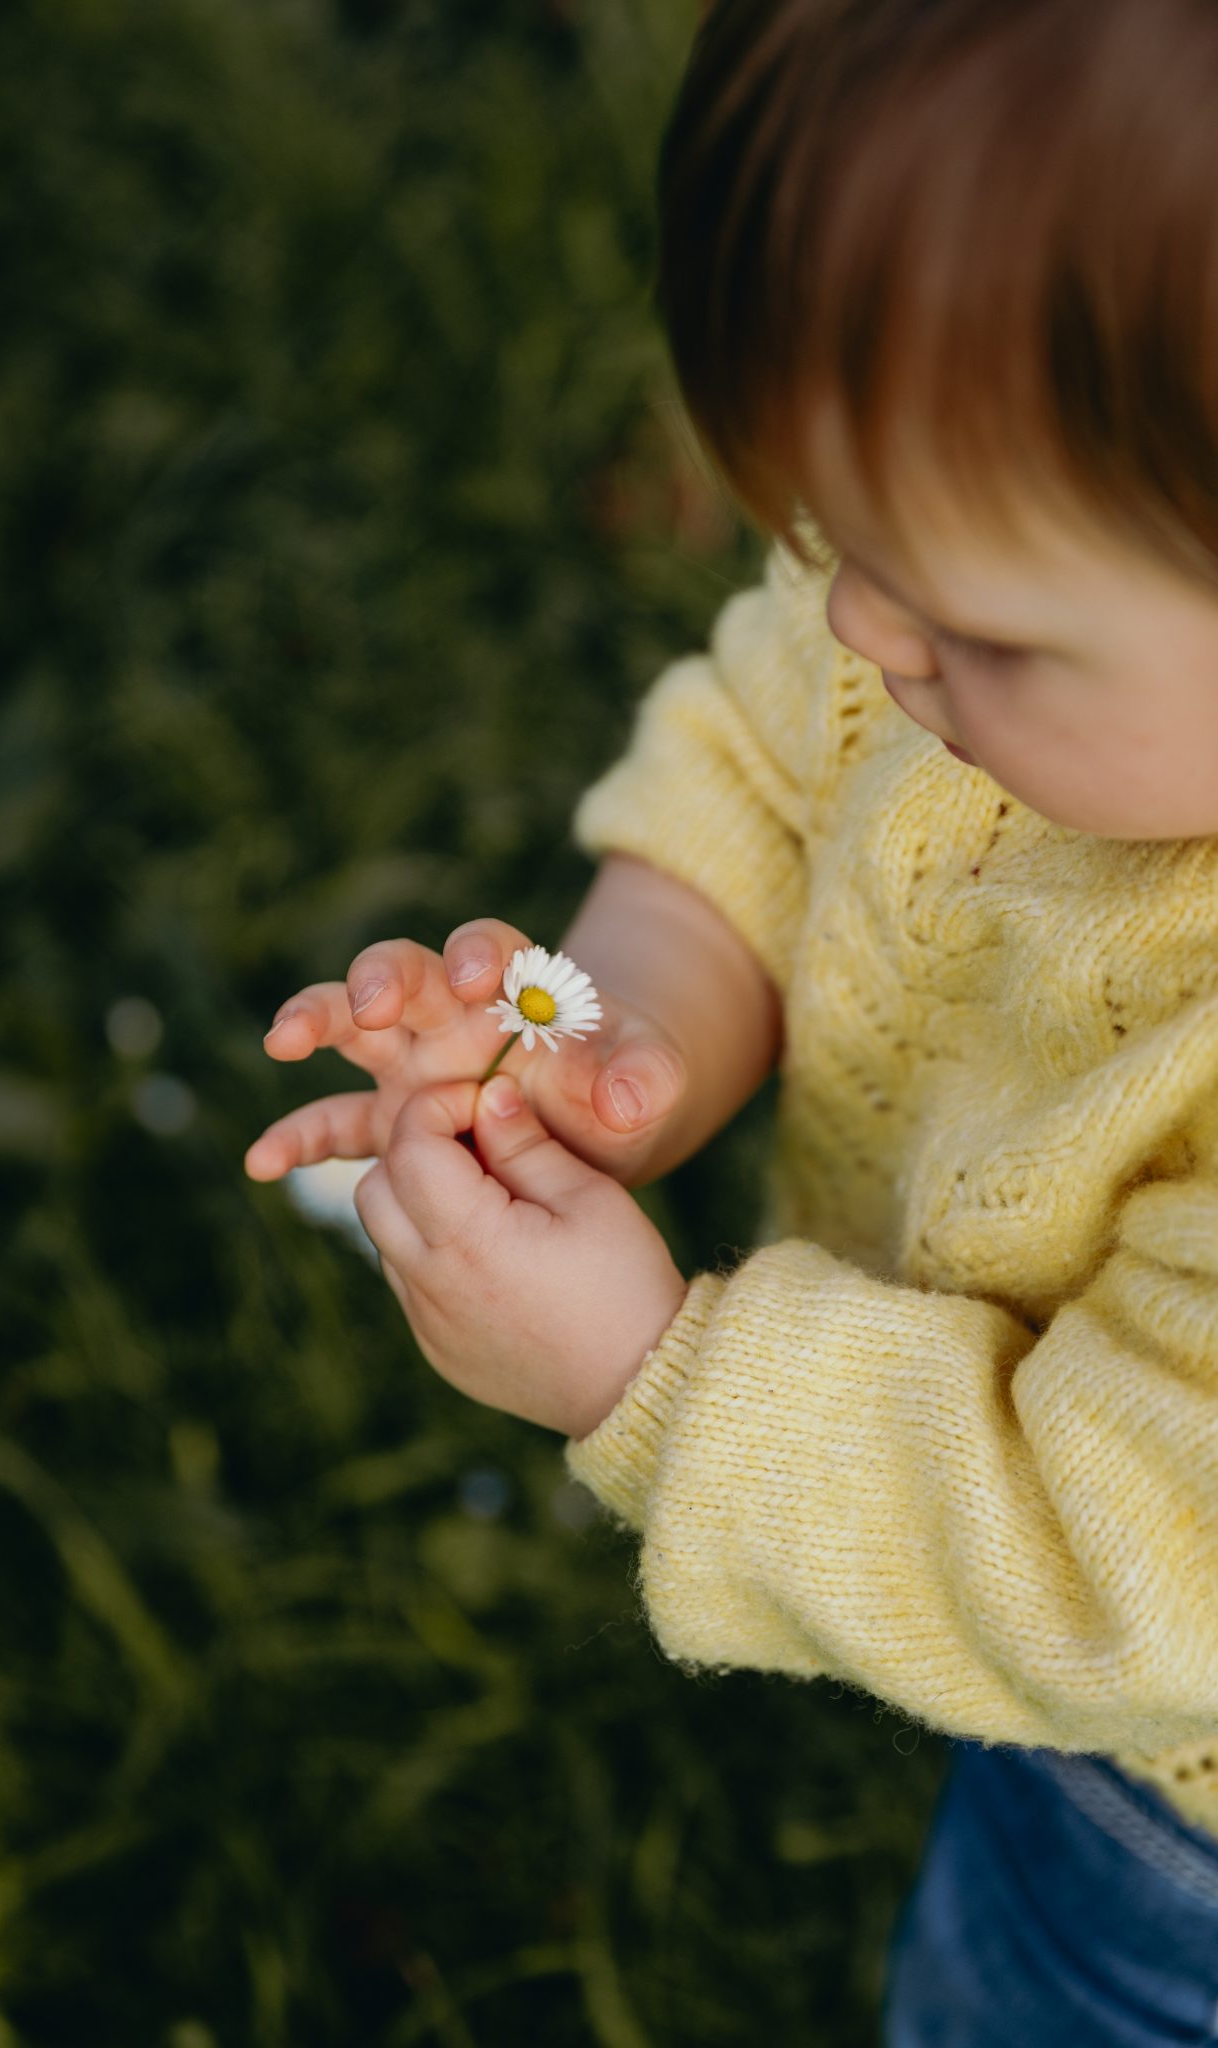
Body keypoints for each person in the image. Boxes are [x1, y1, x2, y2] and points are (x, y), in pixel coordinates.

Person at [245, 0, 1218, 2036]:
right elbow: (768, 763)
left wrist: (645, 1368)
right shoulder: (1003, 584)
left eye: (967, 617)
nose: (859, 621)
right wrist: (621, 1046)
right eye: (828, 536)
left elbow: (1112, 1551)